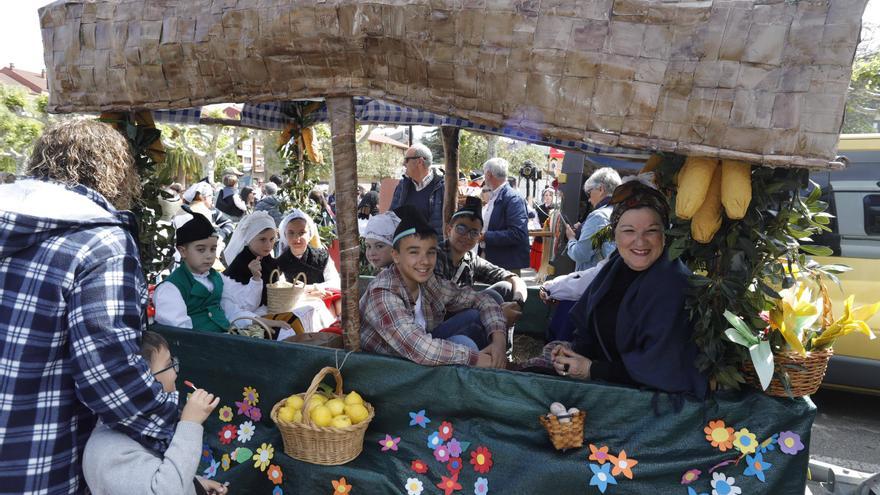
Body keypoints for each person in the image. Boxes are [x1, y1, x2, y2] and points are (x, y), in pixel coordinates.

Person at [0, 119, 179, 494]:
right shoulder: (100, 243)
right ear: (116, 173)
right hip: (36, 461)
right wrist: (173, 422)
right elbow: (108, 374)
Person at [548, 180, 708, 398]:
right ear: (615, 234)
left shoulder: (676, 285)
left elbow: (665, 368)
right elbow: (589, 324)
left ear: (665, 236)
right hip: (606, 392)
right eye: (628, 230)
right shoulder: (615, 267)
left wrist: (591, 369)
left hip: (649, 406)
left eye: (651, 231)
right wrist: (572, 355)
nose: (640, 242)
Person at [359, 206, 508, 367]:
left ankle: (497, 359)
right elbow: (420, 349)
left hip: (419, 349)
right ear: (396, 256)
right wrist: (476, 358)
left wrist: (499, 338)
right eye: (414, 252)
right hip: (389, 367)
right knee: (465, 345)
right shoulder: (383, 293)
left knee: (486, 306)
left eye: (430, 252)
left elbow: (478, 298)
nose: (424, 261)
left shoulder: (427, 281)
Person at [83, 332, 229, 495]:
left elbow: (154, 473)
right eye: (168, 365)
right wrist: (190, 424)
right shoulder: (109, 453)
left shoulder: (143, 427)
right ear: (140, 383)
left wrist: (194, 483)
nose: (175, 372)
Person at [153, 214, 279, 333]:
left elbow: (229, 310)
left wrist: (255, 320)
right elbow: (181, 333)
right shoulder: (171, 288)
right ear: (183, 251)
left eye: (213, 249)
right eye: (201, 249)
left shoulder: (216, 278)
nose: (209, 256)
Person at [435, 197, 528, 305]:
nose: (467, 236)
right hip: (437, 317)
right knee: (488, 302)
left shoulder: (472, 259)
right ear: (449, 230)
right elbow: (443, 298)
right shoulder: (434, 256)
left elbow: (514, 278)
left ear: (479, 237)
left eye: (474, 233)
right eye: (461, 229)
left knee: (506, 287)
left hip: (464, 311)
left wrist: (518, 303)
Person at [277, 209, 341, 316]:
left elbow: (335, 282)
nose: (297, 238)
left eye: (302, 233)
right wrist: (306, 293)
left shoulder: (322, 257)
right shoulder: (280, 262)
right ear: (285, 234)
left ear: (310, 234)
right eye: (291, 233)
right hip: (293, 308)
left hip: (322, 305)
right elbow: (279, 288)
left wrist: (314, 288)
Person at [566, 167, 621, 271]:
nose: (589, 199)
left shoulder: (599, 216)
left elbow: (580, 254)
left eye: (589, 193)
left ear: (601, 189)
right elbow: (600, 241)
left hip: (594, 278)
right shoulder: (619, 212)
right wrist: (584, 228)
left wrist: (571, 238)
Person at [481, 157, 530, 273]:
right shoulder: (498, 195)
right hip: (497, 262)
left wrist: (485, 236)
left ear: (488, 174)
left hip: (506, 265)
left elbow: (517, 233)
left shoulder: (513, 198)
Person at [389, 143, 445, 238]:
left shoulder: (443, 187)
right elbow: (391, 217)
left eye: (406, 160)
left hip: (433, 249)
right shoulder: (402, 186)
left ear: (420, 161)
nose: (403, 164)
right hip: (405, 248)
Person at [530, 187, 555, 270]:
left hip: (551, 235)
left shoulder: (556, 208)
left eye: (550, 195)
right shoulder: (539, 208)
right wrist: (541, 230)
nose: (547, 197)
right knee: (539, 260)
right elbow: (535, 221)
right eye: (546, 195)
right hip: (541, 234)